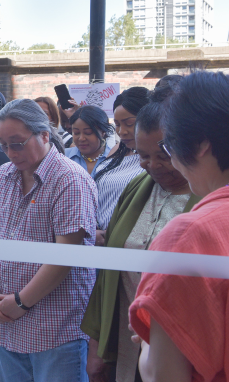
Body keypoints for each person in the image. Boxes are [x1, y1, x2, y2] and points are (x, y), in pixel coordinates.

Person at [82, 88, 199, 382]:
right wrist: (96, 347)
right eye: (143, 156)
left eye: (163, 156)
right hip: (126, 340)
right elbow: (110, 273)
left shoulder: (210, 201)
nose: (153, 165)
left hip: (183, 348)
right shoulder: (136, 188)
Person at [0, 99, 97, 382]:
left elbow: (65, 256)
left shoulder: (69, 179)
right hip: (4, 322)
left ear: (44, 134)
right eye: (3, 145)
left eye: (17, 143)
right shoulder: (1, 176)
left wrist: (20, 302)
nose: (10, 152)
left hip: (54, 326)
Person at [129, 71, 229, 382]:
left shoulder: (188, 235)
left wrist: (149, 346)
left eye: (168, 148)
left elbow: (163, 375)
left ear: (199, 145)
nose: (168, 163)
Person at [92, 87, 150, 243]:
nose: (121, 131)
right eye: (117, 124)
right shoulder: (118, 150)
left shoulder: (159, 159)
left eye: (129, 123)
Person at [65, 106, 114, 176]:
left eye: (88, 133)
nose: (81, 138)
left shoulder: (115, 158)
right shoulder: (64, 157)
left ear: (103, 132)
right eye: (76, 133)